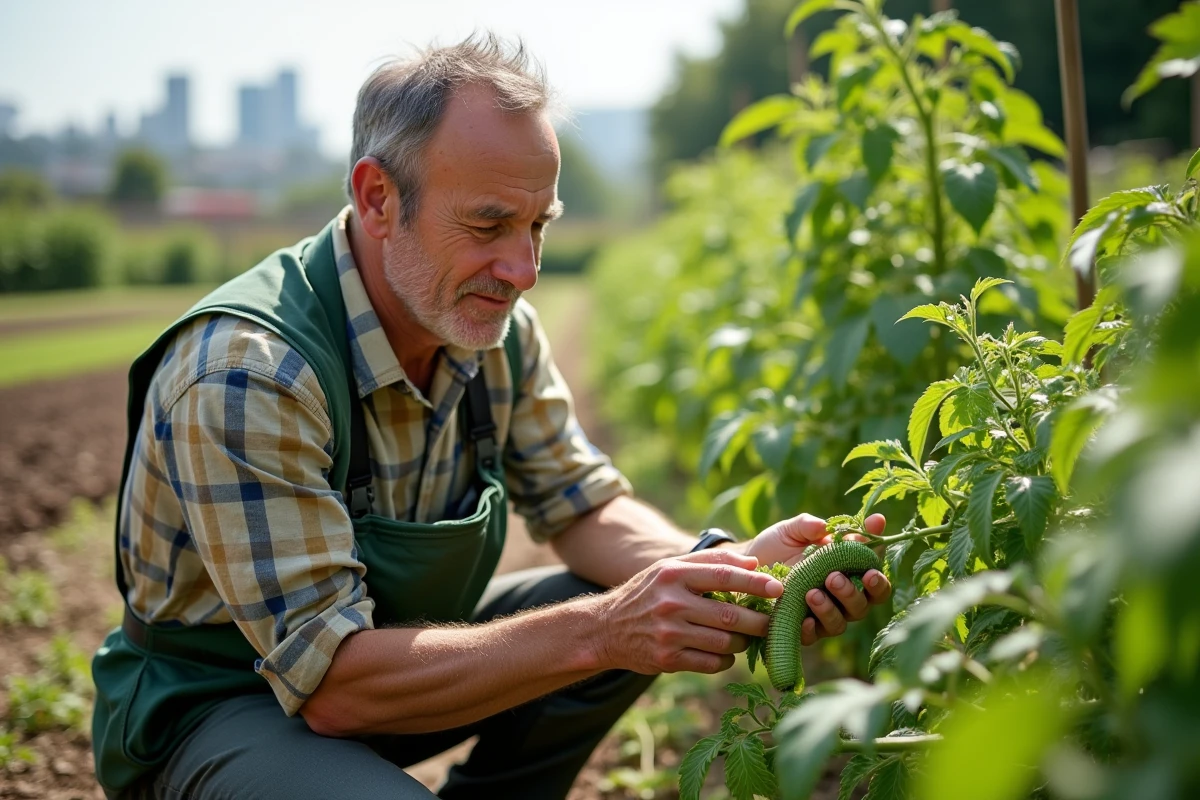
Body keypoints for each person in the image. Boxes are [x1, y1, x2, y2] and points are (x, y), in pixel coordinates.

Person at [90, 34, 892, 800]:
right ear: (378, 198)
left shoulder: (486, 331)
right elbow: (333, 685)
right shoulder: (249, 375)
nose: (524, 270)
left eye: (539, 224)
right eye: (488, 225)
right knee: (603, 617)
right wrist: (609, 626)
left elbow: (585, 506)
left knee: (620, 588)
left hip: (388, 675)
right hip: (227, 710)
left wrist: (729, 573)